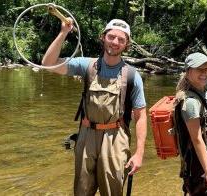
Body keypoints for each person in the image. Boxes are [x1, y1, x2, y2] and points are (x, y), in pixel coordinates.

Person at [42, 18, 147, 196]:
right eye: (111, 37)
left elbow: (141, 116)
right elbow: (48, 64)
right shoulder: (86, 66)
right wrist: (63, 33)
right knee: (82, 191)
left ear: (126, 44)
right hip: (86, 135)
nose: (115, 42)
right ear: (103, 37)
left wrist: (139, 153)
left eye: (121, 40)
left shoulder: (132, 76)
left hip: (116, 138)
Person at [174, 15, 207, 196]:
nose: (204, 73)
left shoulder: (202, 86)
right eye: (199, 69)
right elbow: (197, 140)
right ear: (188, 72)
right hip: (201, 163)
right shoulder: (190, 102)